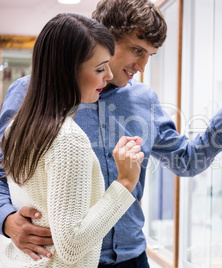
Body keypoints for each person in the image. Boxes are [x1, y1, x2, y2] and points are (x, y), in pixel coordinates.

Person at [0, 0, 222, 266]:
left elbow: (187, 161)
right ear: (104, 38)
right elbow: (3, 170)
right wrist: (7, 220)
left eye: (150, 55)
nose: (142, 66)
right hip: (65, 261)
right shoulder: (30, 93)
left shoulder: (144, 99)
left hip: (132, 258)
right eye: (137, 51)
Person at [0, 13, 144, 267]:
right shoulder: (69, 140)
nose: (108, 76)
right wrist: (125, 182)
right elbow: (71, 246)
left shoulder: (17, 127)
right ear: (67, 72)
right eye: (99, 69)